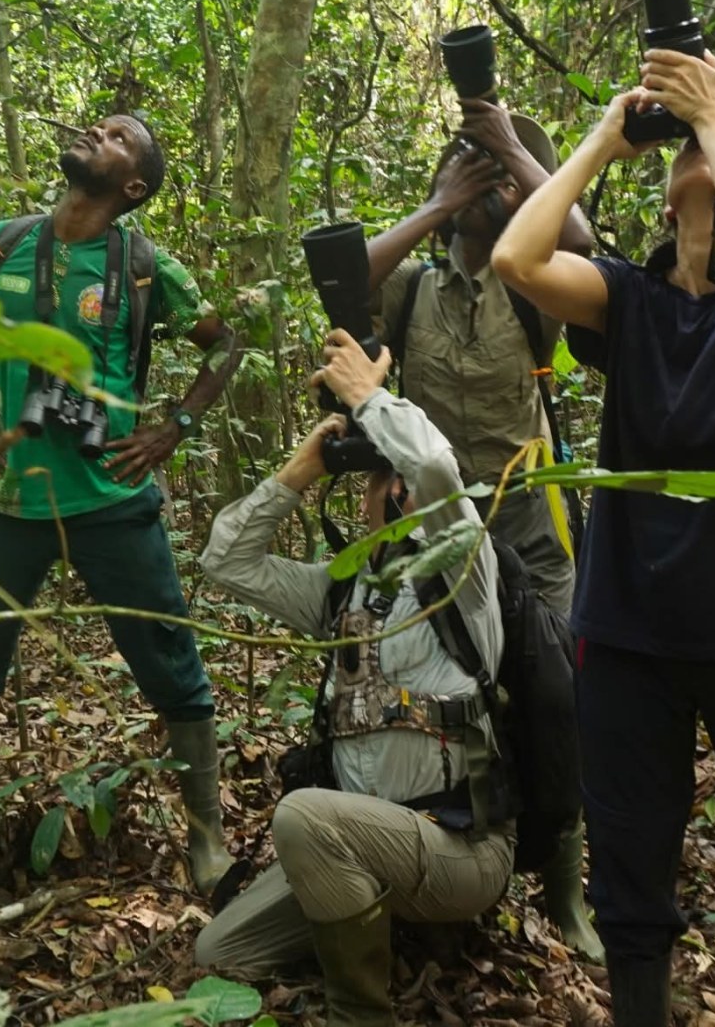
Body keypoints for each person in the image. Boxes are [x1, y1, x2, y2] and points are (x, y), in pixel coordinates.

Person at [491, 49, 715, 1023]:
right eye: (687, 148)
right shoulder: (630, 300)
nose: (701, 151)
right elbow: (517, 261)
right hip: (625, 636)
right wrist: (604, 140)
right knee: (630, 867)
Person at [0, 114, 241, 896]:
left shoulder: (145, 265)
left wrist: (171, 429)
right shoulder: (1, 242)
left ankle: (206, 835)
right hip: (8, 506)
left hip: (113, 502)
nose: (93, 132)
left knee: (173, 668)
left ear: (132, 185)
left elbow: (225, 344)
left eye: (114, 136)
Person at [194, 327, 516, 1027]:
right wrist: (299, 472)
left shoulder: (465, 573)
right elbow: (226, 561)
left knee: (303, 817)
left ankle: (360, 1015)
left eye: (386, 479)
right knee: (221, 950)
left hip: (460, 848)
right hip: (363, 846)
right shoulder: (346, 595)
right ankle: (370, 921)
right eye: (377, 479)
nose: (386, 490)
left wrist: (371, 396)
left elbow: (434, 466)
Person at [367, 100, 603, 960]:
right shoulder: (415, 284)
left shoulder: (538, 283)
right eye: (464, 167)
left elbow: (580, 245)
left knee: (557, 699)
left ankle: (568, 894)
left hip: (531, 524)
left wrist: (511, 148)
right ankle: (429, 861)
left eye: (497, 177)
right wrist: (439, 204)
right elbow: (343, 280)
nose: (481, 185)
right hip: (432, 532)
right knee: (431, 697)